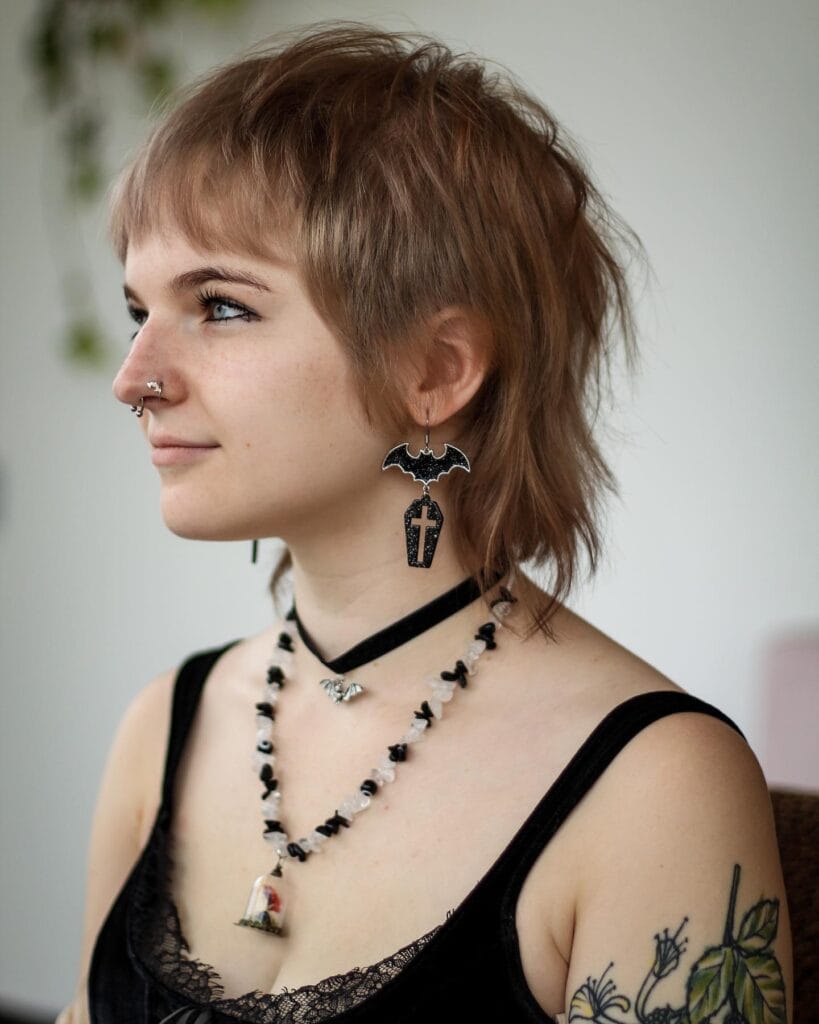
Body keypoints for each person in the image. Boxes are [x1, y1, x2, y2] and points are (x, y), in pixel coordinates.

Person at [57, 20, 792, 1024]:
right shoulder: (164, 724)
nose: (132, 378)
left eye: (220, 305)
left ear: (437, 369)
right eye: (138, 308)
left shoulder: (656, 790)